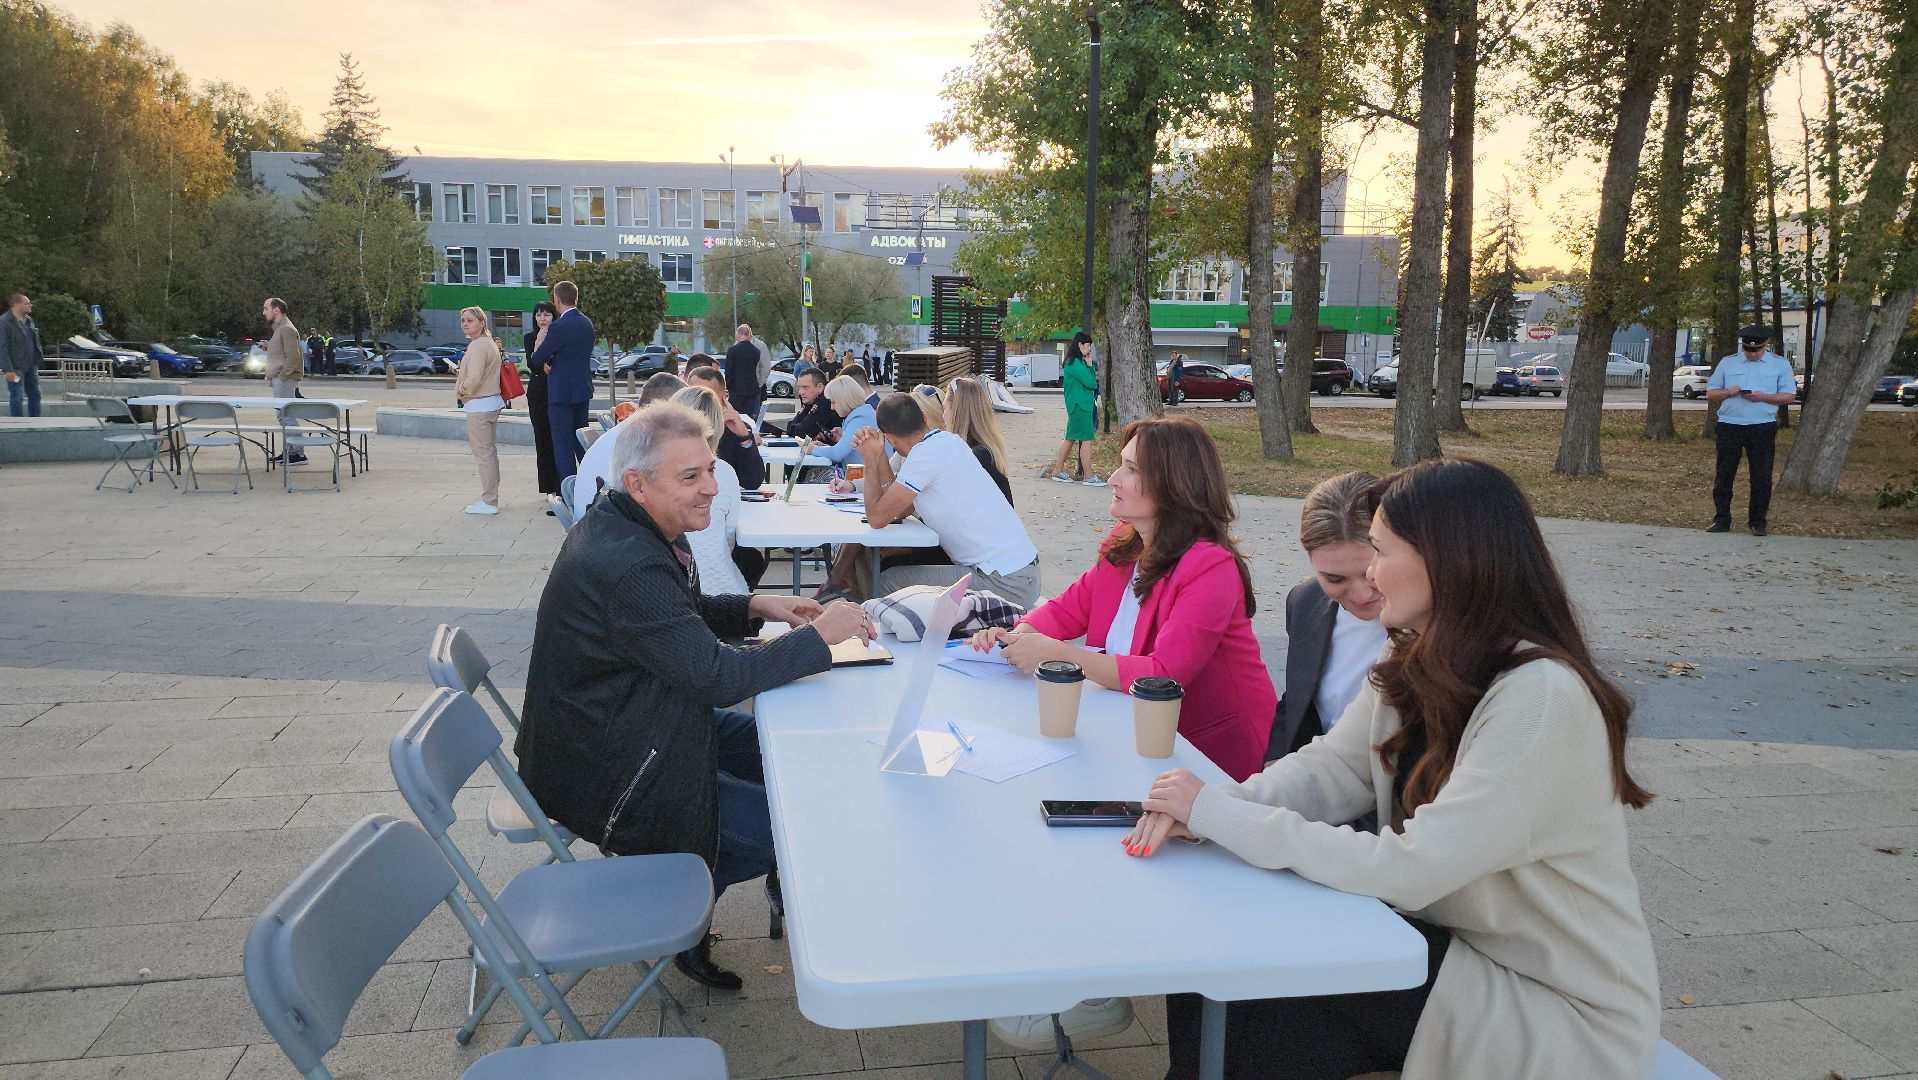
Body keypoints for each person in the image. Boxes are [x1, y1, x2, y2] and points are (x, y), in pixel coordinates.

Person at [1129, 458, 1660, 1080]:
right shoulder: (1415, 646)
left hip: (1546, 998)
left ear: (1448, 558)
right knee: (1222, 953)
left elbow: (1412, 870)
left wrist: (1227, 818)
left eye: (1379, 551)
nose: (1371, 575)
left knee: (1258, 993)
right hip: (1448, 945)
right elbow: (1336, 767)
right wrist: (1220, 808)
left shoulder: (1541, 698)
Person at [516, 401, 877, 989]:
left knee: (783, 759)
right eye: (691, 476)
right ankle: (678, 904)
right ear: (638, 482)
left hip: (638, 726)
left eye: (710, 468)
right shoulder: (627, 561)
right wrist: (818, 637)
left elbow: (674, 619)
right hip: (610, 769)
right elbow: (719, 678)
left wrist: (757, 604)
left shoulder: (624, 524)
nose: (712, 487)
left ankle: (704, 891)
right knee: (787, 830)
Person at [856, 394, 1042, 606]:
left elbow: (877, 518)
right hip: (1021, 574)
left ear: (889, 438)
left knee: (886, 582)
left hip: (1003, 582)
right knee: (894, 576)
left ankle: (872, 632)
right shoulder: (949, 441)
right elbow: (900, 509)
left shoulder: (923, 457)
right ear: (925, 418)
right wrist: (879, 456)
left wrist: (870, 459)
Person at [1265, 470, 1391, 761]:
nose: (1361, 595)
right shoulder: (1305, 603)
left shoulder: (1429, 618)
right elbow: (1298, 701)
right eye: (1335, 579)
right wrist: (1273, 765)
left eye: (1371, 575)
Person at [1706, 324, 1795, 537]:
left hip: (1761, 426)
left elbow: (1789, 396)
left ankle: (1758, 521)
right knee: (1724, 475)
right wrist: (1728, 392)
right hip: (1730, 425)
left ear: (1766, 345)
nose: (1752, 353)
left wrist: (1763, 397)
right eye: (1748, 349)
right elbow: (1711, 393)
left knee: (1761, 476)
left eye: (1756, 350)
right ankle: (1722, 519)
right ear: (1742, 346)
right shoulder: (1728, 363)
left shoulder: (1779, 365)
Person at [566, 372, 690, 523]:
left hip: (592, 525)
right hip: (601, 532)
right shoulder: (642, 439)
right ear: (667, 408)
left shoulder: (632, 430)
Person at [671, 386, 758, 595]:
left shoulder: (654, 469)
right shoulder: (724, 471)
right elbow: (728, 537)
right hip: (720, 590)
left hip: (681, 589)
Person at [529, 280, 595, 486]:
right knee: (581, 442)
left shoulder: (559, 326)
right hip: (582, 391)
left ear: (556, 299)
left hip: (561, 395)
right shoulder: (587, 323)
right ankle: (592, 486)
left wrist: (543, 350)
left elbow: (537, 358)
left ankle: (570, 493)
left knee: (563, 445)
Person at [454, 307, 505, 516]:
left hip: (479, 404)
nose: (465, 324)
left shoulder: (478, 346)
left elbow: (474, 378)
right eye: (463, 320)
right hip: (491, 402)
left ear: (482, 322)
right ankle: (491, 498)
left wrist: (461, 389)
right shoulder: (489, 343)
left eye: (470, 320)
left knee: (484, 454)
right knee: (489, 453)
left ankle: (489, 500)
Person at [685, 365, 767, 489]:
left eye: (706, 397)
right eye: (692, 394)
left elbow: (752, 482)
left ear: (723, 399)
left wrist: (744, 437)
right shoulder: (673, 430)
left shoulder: (733, 429)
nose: (699, 402)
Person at [943, 377, 1013, 505]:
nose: (943, 415)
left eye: (945, 409)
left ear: (957, 413)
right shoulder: (985, 450)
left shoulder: (976, 456)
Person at [1049, 331, 1102, 486]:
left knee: (1071, 438)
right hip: (1080, 405)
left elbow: (1090, 381)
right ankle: (1088, 476)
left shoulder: (1074, 363)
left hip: (1078, 405)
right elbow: (1091, 383)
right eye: (1087, 345)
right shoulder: (1075, 364)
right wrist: (1091, 365)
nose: (1089, 349)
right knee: (1087, 439)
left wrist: (1089, 365)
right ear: (1079, 345)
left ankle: (1058, 471)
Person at [262, 298, 306, 464]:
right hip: (282, 378)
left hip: (285, 379)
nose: (263, 312)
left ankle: (298, 453)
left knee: (287, 415)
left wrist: (282, 377)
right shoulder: (280, 329)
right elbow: (283, 352)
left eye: (266, 308)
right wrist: (269, 346)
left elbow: (293, 356)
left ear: (276, 310)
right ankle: (290, 450)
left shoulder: (286, 328)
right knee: (283, 415)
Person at [524, 302, 561, 498]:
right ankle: (549, 489)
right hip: (538, 393)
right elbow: (533, 364)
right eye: (538, 315)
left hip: (555, 392)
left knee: (557, 441)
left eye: (546, 314)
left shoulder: (559, 335)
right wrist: (538, 342)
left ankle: (561, 485)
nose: (542, 319)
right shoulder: (530, 338)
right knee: (542, 441)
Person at [812, 375, 877, 467]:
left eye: (833, 402)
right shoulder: (864, 415)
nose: (832, 407)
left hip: (864, 477)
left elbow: (837, 454)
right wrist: (842, 438)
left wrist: (812, 449)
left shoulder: (859, 419)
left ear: (843, 400)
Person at [0, 294, 45, 418]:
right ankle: (17, 424)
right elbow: (2, 347)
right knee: (17, 396)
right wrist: (8, 369)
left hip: (31, 365)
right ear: (16, 305)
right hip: (15, 367)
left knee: (36, 395)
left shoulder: (29, 320)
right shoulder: (4, 322)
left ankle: (35, 422)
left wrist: (37, 360)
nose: (30, 305)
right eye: (27, 303)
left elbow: (34, 342)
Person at [723, 323, 763, 424]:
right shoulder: (756, 351)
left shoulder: (733, 350)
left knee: (736, 418)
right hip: (752, 389)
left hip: (737, 390)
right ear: (749, 335)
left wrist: (730, 387)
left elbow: (728, 371)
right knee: (749, 420)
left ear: (738, 334)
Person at [785, 368, 840, 440]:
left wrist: (809, 433)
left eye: (805, 388)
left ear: (819, 387)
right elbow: (791, 428)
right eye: (799, 387)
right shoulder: (810, 400)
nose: (801, 392)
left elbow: (801, 432)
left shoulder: (825, 401)